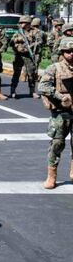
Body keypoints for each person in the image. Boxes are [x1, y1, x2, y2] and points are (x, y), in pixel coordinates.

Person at [39, 37, 73, 189]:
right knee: (57, 144)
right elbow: (43, 86)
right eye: (67, 51)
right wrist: (61, 97)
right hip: (61, 112)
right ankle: (51, 176)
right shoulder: (55, 68)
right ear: (62, 52)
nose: (71, 54)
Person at [7, 16, 39, 98]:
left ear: (28, 23)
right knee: (16, 73)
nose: (21, 24)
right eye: (20, 23)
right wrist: (18, 41)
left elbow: (40, 41)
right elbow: (11, 43)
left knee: (31, 74)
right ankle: (12, 91)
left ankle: (32, 91)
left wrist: (32, 45)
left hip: (29, 55)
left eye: (23, 22)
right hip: (19, 56)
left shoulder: (34, 32)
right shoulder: (18, 32)